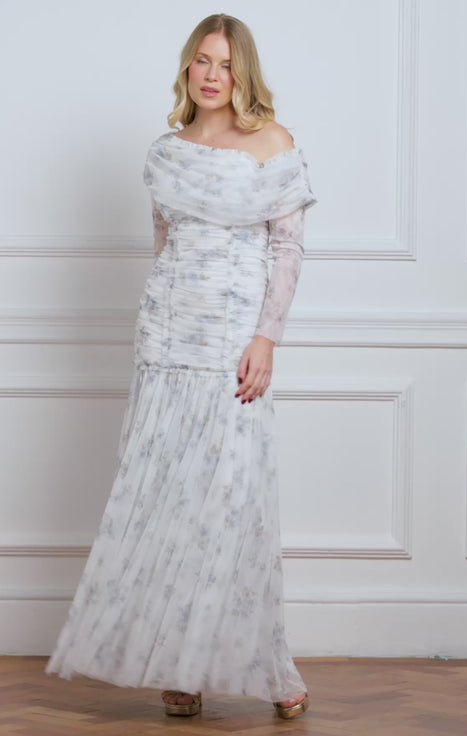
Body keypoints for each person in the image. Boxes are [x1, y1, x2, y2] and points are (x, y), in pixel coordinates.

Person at [45, 12, 317, 721]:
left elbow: (286, 250)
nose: (211, 75)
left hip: (232, 344)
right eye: (201, 60)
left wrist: (266, 338)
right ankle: (182, 667)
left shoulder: (273, 144)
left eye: (224, 63)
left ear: (242, 72)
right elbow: (163, 246)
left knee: (233, 504)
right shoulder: (166, 152)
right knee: (171, 503)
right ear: (187, 68)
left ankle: (273, 668)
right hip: (165, 340)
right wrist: (157, 327)